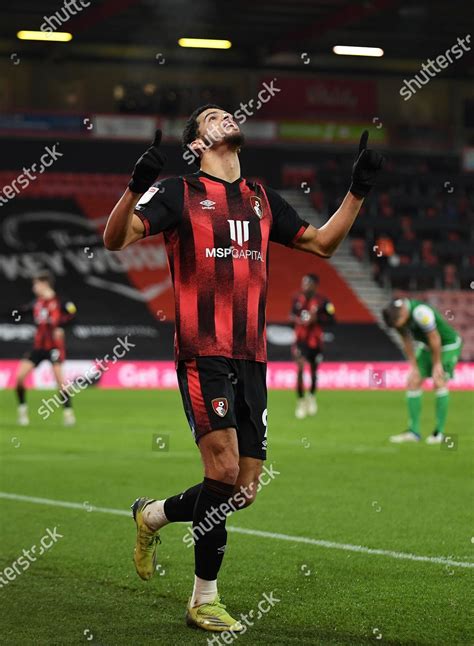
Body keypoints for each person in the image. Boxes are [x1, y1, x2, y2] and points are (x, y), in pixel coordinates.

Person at [103, 104, 384, 633]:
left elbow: (323, 244)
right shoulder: (176, 193)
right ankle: (203, 599)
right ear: (196, 142)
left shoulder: (260, 198)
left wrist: (358, 191)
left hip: (251, 356)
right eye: (213, 116)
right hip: (202, 349)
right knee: (224, 472)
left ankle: (153, 514)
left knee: (242, 489)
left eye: (230, 113)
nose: (227, 118)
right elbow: (115, 239)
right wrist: (133, 186)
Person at [382, 298, 462, 444]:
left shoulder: (421, 313)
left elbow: (435, 338)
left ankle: (438, 433)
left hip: (447, 345)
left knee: (439, 381)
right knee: (413, 381)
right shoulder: (396, 316)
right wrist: (413, 365)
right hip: (426, 347)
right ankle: (414, 432)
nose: (397, 327)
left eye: (397, 324)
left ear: (403, 314)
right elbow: (406, 340)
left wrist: (437, 364)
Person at [14, 272, 77, 426]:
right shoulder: (37, 303)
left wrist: (62, 328)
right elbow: (21, 312)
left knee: (60, 381)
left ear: (44, 284)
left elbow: (73, 316)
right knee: (19, 378)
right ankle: (22, 411)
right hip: (38, 347)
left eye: (36, 284)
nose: (34, 288)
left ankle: (68, 413)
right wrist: (12, 313)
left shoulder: (62, 301)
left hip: (54, 348)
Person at [290, 273, 335, 418]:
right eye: (303, 283)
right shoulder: (297, 299)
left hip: (315, 341)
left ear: (315, 285)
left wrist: (318, 319)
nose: (304, 286)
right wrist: (296, 320)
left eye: (308, 283)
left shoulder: (323, 301)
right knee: (300, 368)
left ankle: (311, 396)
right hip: (300, 340)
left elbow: (332, 319)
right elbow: (291, 316)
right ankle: (301, 401)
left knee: (314, 371)